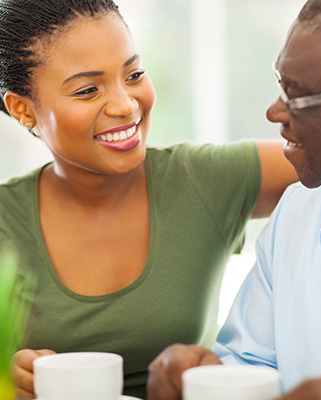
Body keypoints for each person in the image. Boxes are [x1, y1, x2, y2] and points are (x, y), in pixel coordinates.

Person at [0, 0, 297, 398]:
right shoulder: (6, 219)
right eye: (88, 90)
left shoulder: (205, 180)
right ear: (23, 109)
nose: (125, 104)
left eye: (134, 74)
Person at [146, 0, 321, 399]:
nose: (274, 112)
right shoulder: (298, 212)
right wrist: (211, 379)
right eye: (280, 85)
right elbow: (252, 362)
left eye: (297, 95)